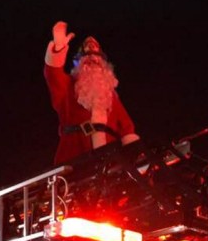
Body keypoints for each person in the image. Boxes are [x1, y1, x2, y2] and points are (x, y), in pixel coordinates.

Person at [44, 21, 140, 164]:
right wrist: (58, 49)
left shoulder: (110, 96)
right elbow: (53, 73)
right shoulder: (69, 86)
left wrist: (137, 157)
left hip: (110, 160)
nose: (92, 61)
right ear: (79, 62)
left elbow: (127, 128)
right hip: (74, 156)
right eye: (87, 55)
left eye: (95, 55)